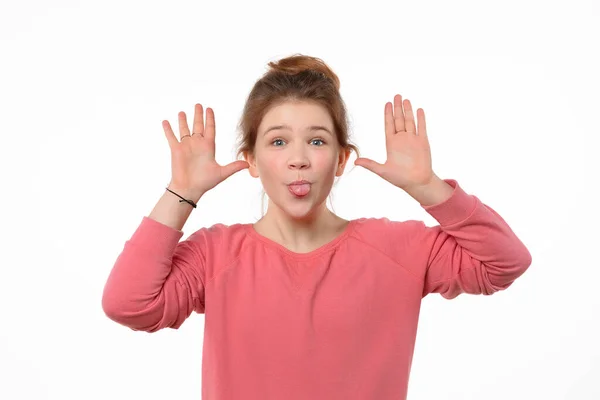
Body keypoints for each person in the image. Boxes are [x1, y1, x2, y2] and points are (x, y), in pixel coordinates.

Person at [101, 54, 532, 400]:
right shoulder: (214, 255)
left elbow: (504, 263)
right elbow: (129, 305)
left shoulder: (400, 248)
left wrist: (427, 186)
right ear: (250, 160)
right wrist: (182, 193)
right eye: (278, 141)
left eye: (318, 140)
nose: (299, 158)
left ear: (342, 158)